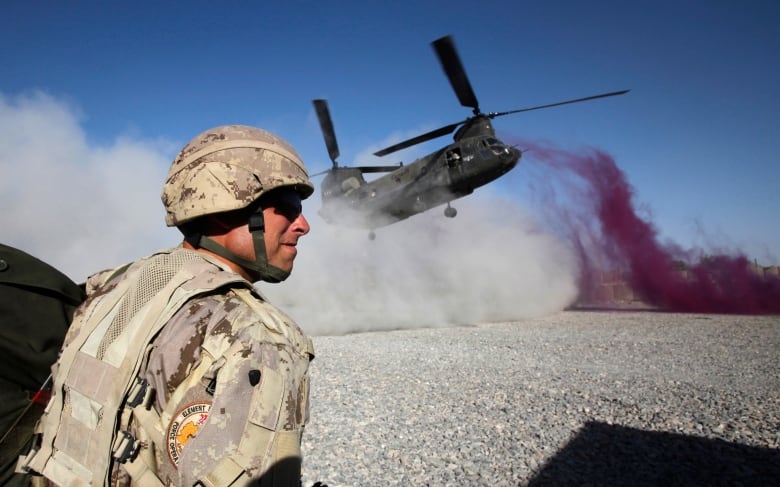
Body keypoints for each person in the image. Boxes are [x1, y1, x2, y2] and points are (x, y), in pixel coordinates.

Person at [19, 125, 316, 486]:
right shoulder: (260, 335)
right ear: (226, 208)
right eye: (288, 207)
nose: (304, 225)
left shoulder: (115, 282)